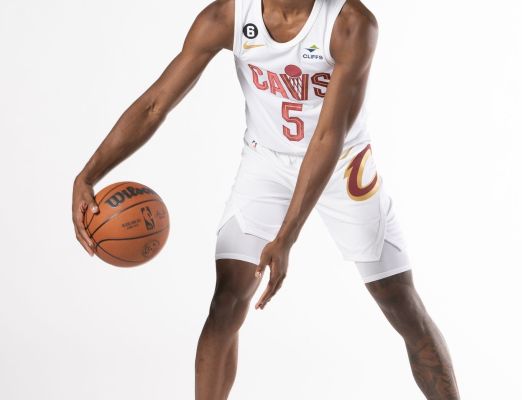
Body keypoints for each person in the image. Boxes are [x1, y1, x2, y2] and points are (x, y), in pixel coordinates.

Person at [71, 0, 460, 398]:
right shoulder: (226, 17)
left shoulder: (350, 24)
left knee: (399, 301)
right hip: (266, 162)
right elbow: (155, 105)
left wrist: (286, 237)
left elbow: (328, 137)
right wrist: (89, 174)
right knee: (227, 299)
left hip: (341, 164)